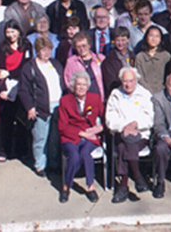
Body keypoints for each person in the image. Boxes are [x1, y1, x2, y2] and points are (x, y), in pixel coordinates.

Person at [106, 67, 154, 203]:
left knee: (124, 147)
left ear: (136, 80)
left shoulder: (144, 94)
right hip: (121, 134)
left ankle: (123, 186)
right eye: (125, 81)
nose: (128, 84)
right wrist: (124, 127)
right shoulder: (115, 95)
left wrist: (134, 124)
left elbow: (150, 118)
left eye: (131, 81)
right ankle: (138, 177)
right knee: (124, 144)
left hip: (140, 135)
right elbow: (110, 118)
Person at [18, 37, 64, 175]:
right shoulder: (29, 67)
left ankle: (53, 163)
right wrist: (30, 107)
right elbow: (23, 90)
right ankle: (40, 165)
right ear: (37, 51)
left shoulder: (55, 64)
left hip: (57, 106)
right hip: (41, 108)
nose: (47, 52)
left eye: (49, 49)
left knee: (54, 138)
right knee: (40, 138)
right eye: (44, 50)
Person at [57, 71, 105, 203]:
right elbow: (62, 126)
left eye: (84, 84)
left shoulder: (95, 98)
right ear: (73, 86)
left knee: (85, 154)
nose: (81, 87)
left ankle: (91, 187)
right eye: (78, 84)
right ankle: (66, 187)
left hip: (90, 136)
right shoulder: (65, 101)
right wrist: (80, 133)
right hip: (71, 136)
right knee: (74, 156)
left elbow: (106, 116)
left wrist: (100, 128)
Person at [0, 21, 33, 162]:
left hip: (22, 86)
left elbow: (25, 66)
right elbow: (0, 69)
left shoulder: (26, 45)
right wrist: (4, 86)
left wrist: (10, 73)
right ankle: (5, 149)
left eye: (13, 31)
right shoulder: (3, 47)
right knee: (7, 120)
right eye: (8, 32)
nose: (11, 35)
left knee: (22, 120)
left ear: (19, 31)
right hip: (7, 87)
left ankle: (22, 150)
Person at [64, 33, 106, 100]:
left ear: (89, 45)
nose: (82, 49)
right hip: (81, 100)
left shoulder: (100, 58)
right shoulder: (71, 62)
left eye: (84, 46)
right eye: (78, 46)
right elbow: (68, 82)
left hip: (99, 99)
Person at [135, 26, 171, 93]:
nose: (154, 39)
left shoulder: (166, 56)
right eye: (151, 35)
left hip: (162, 92)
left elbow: (169, 76)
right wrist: (149, 91)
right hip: (144, 92)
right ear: (146, 37)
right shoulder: (140, 57)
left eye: (157, 36)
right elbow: (139, 78)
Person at [101, 27, 134, 97]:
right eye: (117, 40)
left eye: (123, 40)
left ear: (128, 39)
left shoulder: (133, 56)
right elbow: (110, 83)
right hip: (119, 94)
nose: (120, 43)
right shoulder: (109, 61)